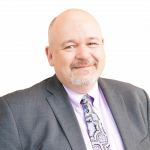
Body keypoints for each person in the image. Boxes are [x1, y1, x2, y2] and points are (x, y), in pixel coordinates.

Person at [0, 8, 150, 150]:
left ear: (103, 47)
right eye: (70, 46)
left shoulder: (137, 98)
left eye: (92, 43)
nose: (84, 55)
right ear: (49, 56)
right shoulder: (15, 110)